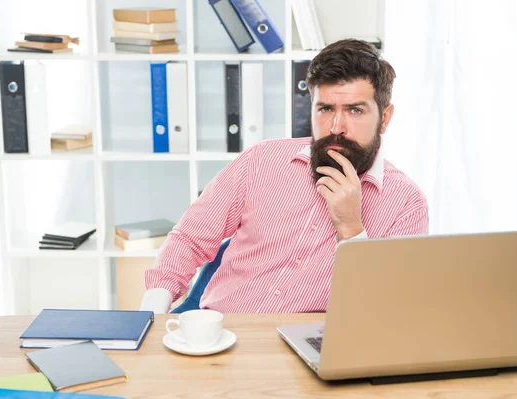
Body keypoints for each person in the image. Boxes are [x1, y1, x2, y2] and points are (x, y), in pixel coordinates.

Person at [140, 39, 428, 314]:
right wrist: (150, 314)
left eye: (355, 110)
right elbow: (190, 238)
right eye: (326, 109)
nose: (337, 127)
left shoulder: (406, 203)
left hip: (313, 353)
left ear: (385, 118)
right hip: (222, 336)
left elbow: (391, 309)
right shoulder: (261, 161)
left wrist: (352, 229)